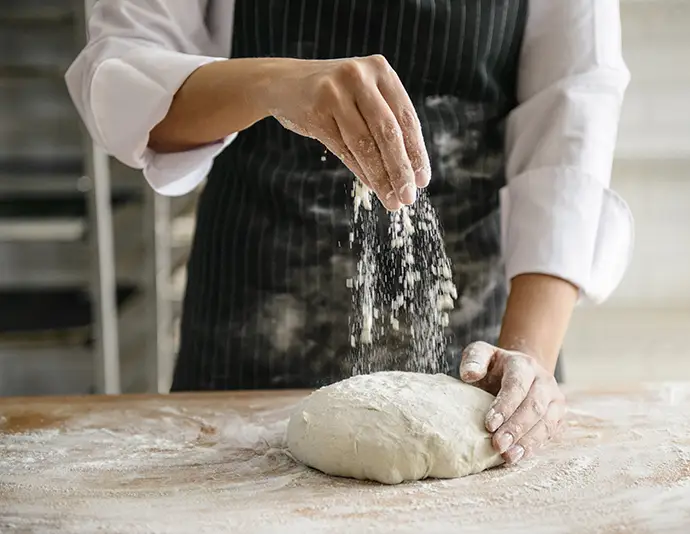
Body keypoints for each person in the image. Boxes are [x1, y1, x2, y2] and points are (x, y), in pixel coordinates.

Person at [66, 0, 633, 466]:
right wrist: (274, 82)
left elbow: (574, 109)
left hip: (479, 352)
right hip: (254, 323)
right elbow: (123, 76)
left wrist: (527, 351)